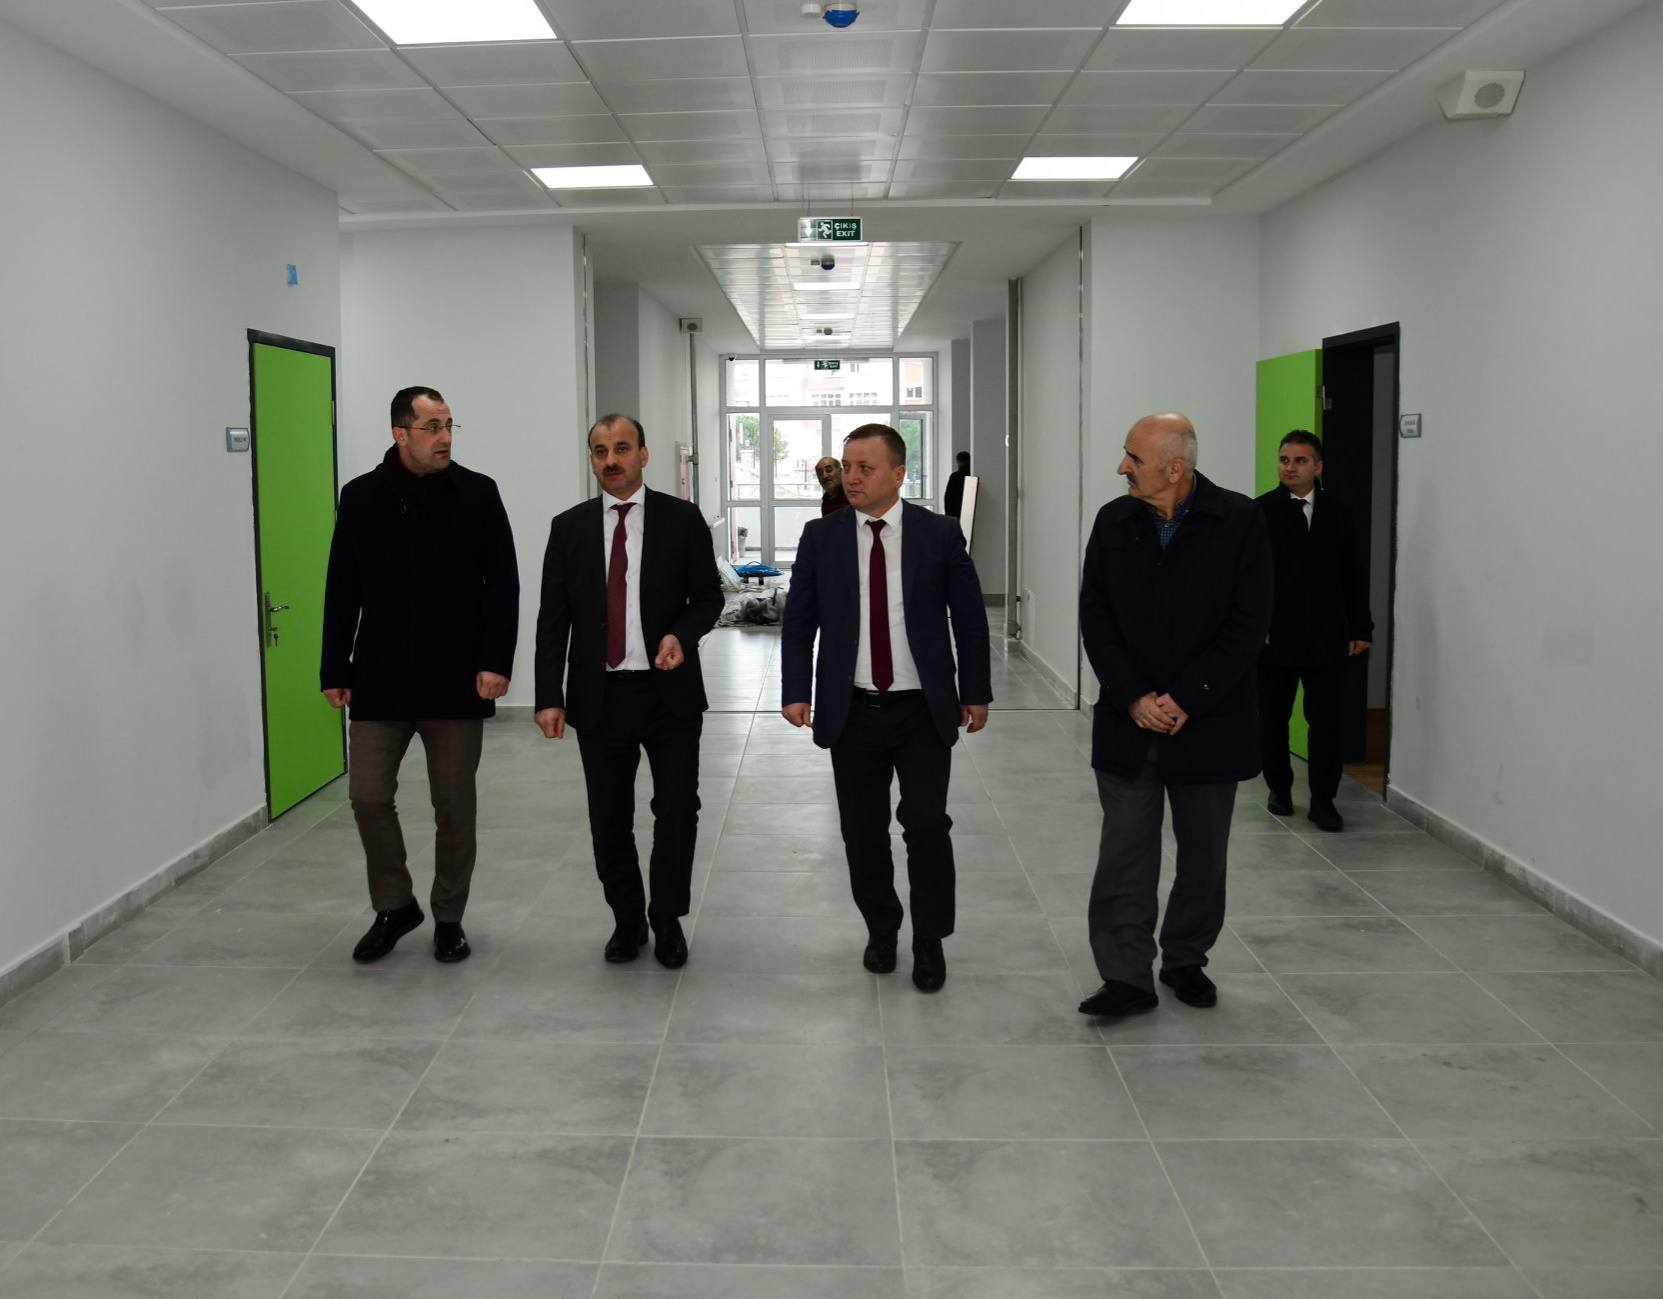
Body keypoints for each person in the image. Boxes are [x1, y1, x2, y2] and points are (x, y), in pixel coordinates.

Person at [781, 424, 992, 992]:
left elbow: (970, 619)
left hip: (922, 709)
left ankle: (929, 939)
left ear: (899, 474)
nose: (851, 477)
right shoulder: (821, 537)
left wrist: (975, 691)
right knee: (862, 830)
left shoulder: (938, 534)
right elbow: (799, 621)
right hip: (852, 709)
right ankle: (882, 927)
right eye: (847, 466)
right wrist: (796, 689)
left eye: (865, 468)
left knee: (926, 825)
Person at [1077, 413, 1271, 1019]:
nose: (1122, 468)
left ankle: (1186, 958)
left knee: (1203, 854)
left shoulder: (1238, 521)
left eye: (1133, 458)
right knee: (1125, 852)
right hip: (1127, 721)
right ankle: (1125, 974)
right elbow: (1095, 616)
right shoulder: (1114, 521)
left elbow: (1248, 625)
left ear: (1175, 468)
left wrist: (1186, 696)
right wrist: (1134, 696)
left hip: (1209, 722)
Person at [321, 386, 519, 965]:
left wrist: (496, 661)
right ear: (399, 433)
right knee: (366, 796)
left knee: (454, 806)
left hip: (455, 680)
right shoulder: (361, 498)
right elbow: (342, 587)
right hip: (379, 678)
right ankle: (395, 905)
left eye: (449, 425)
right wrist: (334, 665)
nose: (445, 438)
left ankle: (449, 917)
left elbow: (502, 585)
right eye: (432, 427)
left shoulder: (477, 493)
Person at [534, 415, 723, 968]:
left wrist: (681, 635)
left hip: (669, 694)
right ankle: (627, 919)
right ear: (591, 459)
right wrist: (548, 695)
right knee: (609, 817)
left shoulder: (681, 520)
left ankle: (667, 919)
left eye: (621, 448)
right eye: (600, 451)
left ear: (643, 454)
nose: (610, 460)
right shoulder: (569, 528)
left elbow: (708, 597)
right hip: (600, 698)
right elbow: (553, 620)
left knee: (677, 810)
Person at [1257, 430, 1373, 832]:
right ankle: (1279, 789)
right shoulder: (1260, 511)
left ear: (1318, 467)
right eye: (1284, 459)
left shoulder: (1338, 512)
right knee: (1272, 719)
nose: (1290, 467)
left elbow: (1353, 573)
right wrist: (1257, 624)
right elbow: (1250, 576)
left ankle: (1324, 801)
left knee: (1326, 724)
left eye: (1300, 461)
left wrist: (1361, 626)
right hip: (1276, 638)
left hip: (1328, 637)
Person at [942, 450, 971, 518]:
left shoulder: (954, 476)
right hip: (969, 511)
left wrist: (947, 513)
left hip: (954, 512)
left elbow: (948, 496)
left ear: (958, 462)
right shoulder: (972, 476)